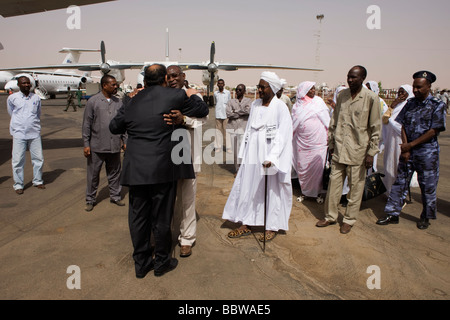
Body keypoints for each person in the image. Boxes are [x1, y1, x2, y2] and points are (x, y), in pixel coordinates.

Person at [109, 64, 208, 278]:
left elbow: (114, 127)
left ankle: (142, 264)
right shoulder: (176, 96)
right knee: (162, 217)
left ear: (145, 80)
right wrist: (191, 96)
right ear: (164, 78)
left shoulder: (131, 100)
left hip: (136, 170)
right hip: (163, 168)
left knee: (138, 217)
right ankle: (162, 262)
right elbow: (202, 110)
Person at [222, 71, 293, 243]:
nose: (259, 90)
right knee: (248, 187)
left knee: (271, 191)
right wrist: (243, 155)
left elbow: (283, 135)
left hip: (269, 158)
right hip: (252, 155)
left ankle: (271, 226)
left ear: (272, 88)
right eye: (259, 87)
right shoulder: (255, 105)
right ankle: (246, 223)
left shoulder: (280, 107)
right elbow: (249, 131)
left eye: (263, 87)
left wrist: (273, 158)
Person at [376, 71, 446, 230]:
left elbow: (433, 131)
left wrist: (411, 145)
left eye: (419, 87)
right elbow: (403, 126)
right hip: (408, 151)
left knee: (427, 186)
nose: (415, 90)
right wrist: (406, 147)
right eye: (414, 87)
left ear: (428, 86)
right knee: (399, 183)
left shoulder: (437, 105)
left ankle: (426, 216)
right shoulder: (410, 103)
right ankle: (392, 213)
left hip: (427, 153)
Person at [316, 66, 381, 234]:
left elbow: (375, 128)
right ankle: (330, 216)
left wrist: (371, 153)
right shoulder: (342, 95)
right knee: (334, 186)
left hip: (358, 152)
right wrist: (331, 145)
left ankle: (349, 219)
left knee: (355, 188)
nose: (350, 80)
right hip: (339, 150)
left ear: (363, 78)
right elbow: (334, 122)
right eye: (348, 77)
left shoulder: (371, 98)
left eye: (354, 77)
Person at [164, 65, 208, 258]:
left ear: (183, 77)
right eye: (168, 77)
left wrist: (184, 120)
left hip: (189, 157)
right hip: (166, 159)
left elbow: (202, 119)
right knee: (166, 201)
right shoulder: (162, 98)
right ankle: (165, 237)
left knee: (187, 200)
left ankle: (187, 239)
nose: (172, 79)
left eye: (175, 76)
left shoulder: (194, 99)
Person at [82, 75, 126, 212]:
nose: (115, 87)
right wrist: (86, 144)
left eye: (116, 84)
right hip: (97, 146)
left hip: (114, 145)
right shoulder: (93, 102)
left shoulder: (119, 102)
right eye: (113, 85)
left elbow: (123, 123)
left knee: (114, 173)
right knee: (93, 174)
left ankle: (115, 196)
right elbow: (86, 124)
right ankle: (90, 199)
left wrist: (125, 140)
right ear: (104, 85)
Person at [292, 81, 330, 204]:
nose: (314, 91)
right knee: (303, 167)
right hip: (301, 144)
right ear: (303, 91)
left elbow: (327, 121)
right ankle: (305, 192)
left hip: (318, 143)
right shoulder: (297, 106)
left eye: (314, 89)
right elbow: (294, 124)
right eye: (310, 89)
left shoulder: (319, 102)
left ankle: (317, 193)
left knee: (317, 168)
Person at [7, 75, 45, 194]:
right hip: (19, 133)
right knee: (18, 160)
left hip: (34, 133)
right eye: (23, 83)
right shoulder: (12, 98)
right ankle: (18, 184)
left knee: (38, 159)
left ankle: (38, 181)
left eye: (28, 83)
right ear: (18, 85)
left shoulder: (36, 98)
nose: (26, 85)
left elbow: (38, 114)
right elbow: (11, 112)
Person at [381, 84, 415, 195]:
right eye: (399, 92)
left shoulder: (410, 107)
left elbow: (403, 126)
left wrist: (391, 121)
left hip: (402, 142)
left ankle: (399, 194)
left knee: (399, 168)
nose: (400, 95)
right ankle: (389, 191)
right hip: (391, 142)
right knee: (389, 166)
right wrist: (392, 106)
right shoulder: (397, 106)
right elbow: (385, 120)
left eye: (403, 92)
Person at [226, 83, 252, 171]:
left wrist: (235, 111)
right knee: (235, 151)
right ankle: (237, 169)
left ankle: (244, 169)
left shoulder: (248, 101)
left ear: (244, 91)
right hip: (233, 128)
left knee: (244, 150)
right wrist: (241, 112)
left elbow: (248, 111)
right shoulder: (231, 101)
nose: (238, 91)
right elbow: (228, 114)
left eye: (240, 90)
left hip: (244, 128)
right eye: (237, 89)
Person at [214, 79, 231, 153]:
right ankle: (218, 147)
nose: (220, 85)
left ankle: (228, 148)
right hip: (218, 114)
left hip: (226, 115)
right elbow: (215, 102)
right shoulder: (215, 93)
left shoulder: (227, 93)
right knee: (218, 132)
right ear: (217, 85)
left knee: (226, 132)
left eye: (222, 83)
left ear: (224, 84)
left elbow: (229, 103)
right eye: (219, 83)